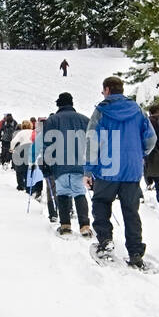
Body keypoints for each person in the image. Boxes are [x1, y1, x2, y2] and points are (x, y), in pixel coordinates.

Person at [84, 76, 156, 268]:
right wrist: (140, 153)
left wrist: (88, 171)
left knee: (101, 203)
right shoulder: (138, 110)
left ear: (107, 90)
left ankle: (105, 241)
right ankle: (135, 252)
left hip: (107, 168)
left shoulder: (101, 111)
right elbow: (151, 138)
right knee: (131, 211)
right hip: (132, 170)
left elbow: (92, 141)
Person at [41, 92, 92, 237]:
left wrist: (45, 164)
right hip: (79, 164)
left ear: (59, 104)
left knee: (62, 193)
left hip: (59, 165)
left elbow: (46, 145)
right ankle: (85, 226)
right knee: (79, 193)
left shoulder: (52, 121)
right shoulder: (84, 120)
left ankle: (65, 225)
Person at [10, 119, 35, 191]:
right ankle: (29, 186)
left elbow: (13, 141)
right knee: (29, 168)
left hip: (22, 150)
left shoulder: (21, 133)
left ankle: (20, 185)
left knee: (19, 168)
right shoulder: (33, 132)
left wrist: (12, 149)